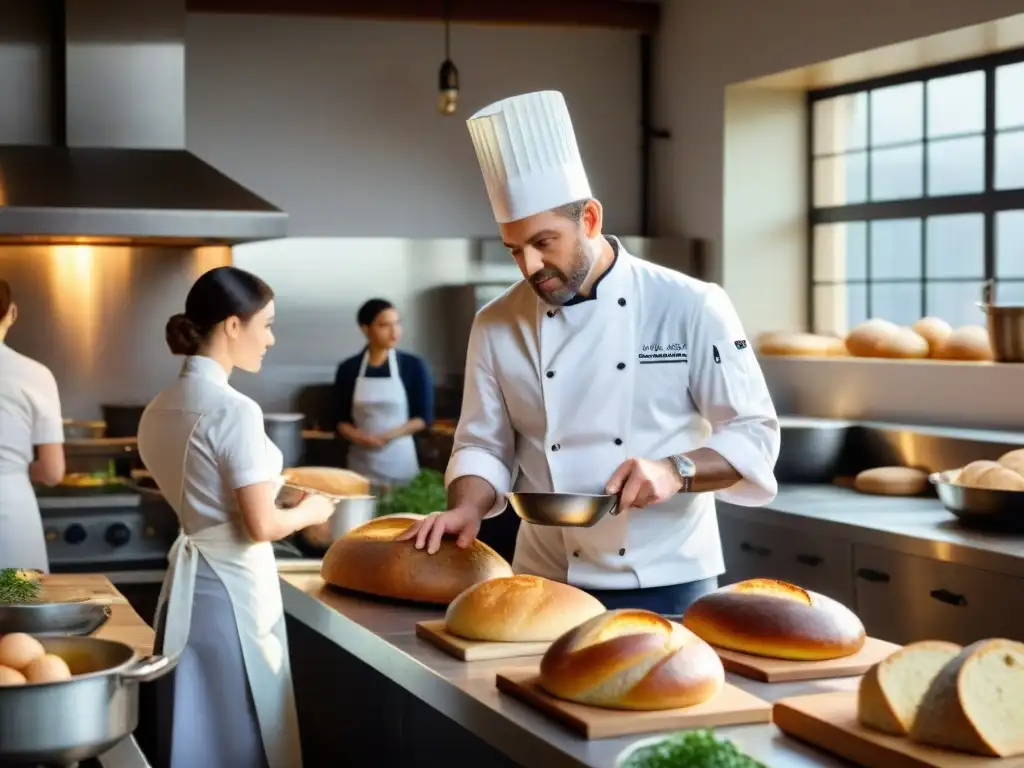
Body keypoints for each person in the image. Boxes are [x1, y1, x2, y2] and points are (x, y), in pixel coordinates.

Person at [399, 91, 781, 615]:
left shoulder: (691, 305)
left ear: (591, 219)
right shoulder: (494, 323)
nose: (530, 266)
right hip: (544, 580)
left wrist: (676, 470)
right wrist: (467, 507)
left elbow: (754, 436)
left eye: (545, 242)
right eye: (515, 249)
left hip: (669, 576)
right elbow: (483, 445)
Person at [138, 266, 336, 768]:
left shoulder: (158, 408)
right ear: (231, 325)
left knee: (196, 729)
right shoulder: (234, 409)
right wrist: (313, 507)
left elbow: (208, 496)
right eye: (265, 324)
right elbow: (261, 527)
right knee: (241, 732)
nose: (270, 338)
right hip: (233, 592)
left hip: (186, 590)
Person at [0, 279, 65, 571]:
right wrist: (16, 468)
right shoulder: (35, 375)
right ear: (11, 312)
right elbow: (52, 472)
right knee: (15, 611)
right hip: (11, 521)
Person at [333, 298, 435, 485]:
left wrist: (386, 437)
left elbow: (424, 417)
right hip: (360, 463)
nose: (394, 332)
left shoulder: (413, 366)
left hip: (400, 459)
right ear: (365, 328)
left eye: (397, 323)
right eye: (384, 325)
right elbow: (340, 419)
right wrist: (360, 437)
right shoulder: (349, 368)